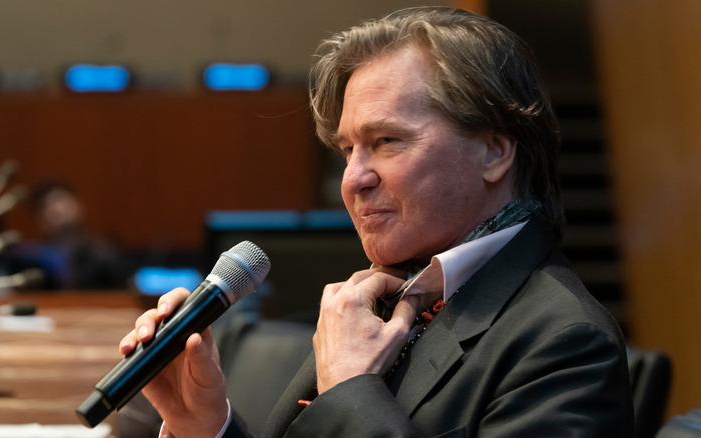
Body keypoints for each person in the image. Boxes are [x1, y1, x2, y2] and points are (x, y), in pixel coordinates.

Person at [120, 6, 634, 437]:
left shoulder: (566, 342)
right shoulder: (388, 291)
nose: (353, 179)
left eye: (387, 141)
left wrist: (348, 388)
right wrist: (203, 426)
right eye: (347, 150)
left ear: (494, 152)